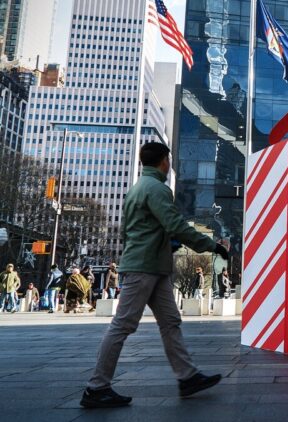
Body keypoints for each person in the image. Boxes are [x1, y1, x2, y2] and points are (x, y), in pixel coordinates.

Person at [81, 142, 228, 408]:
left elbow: (134, 230)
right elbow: (175, 224)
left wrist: (162, 241)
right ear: (164, 161)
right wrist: (212, 246)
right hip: (144, 267)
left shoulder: (136, 189)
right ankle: (96, 387)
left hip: (153, 266)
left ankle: (187, 377)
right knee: (122, 325)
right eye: (169, 159)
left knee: (170, 321)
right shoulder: (157, 189)